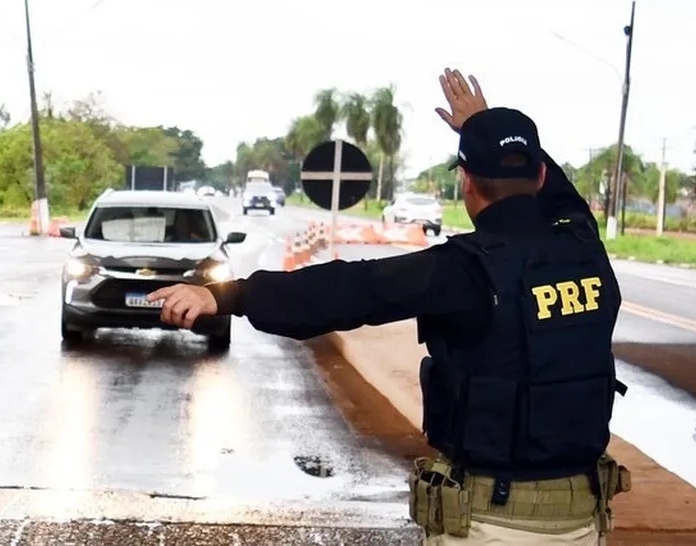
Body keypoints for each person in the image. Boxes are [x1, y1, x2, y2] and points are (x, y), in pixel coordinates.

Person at [147, 68, 631, 545]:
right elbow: (562, 194)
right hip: (582, 521)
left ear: (466, 183)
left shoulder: (466, 270)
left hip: (492, 526)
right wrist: (488, 127)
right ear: (541, 174)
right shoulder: (584, 245)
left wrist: (227, 294)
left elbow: (352, 289)